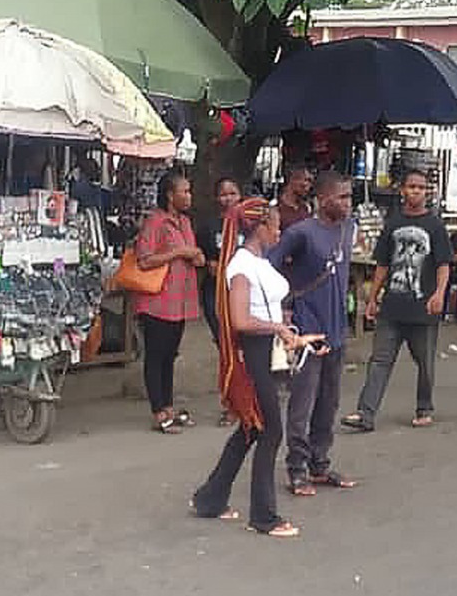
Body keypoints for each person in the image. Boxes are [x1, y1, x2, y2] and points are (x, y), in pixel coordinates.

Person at [190, 198, 323, 538]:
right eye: (275, 225)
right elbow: (241, 320)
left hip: (267, 350)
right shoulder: (241, 267)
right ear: (259, 228)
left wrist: (285, 326)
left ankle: (210, 498)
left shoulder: (257, 263)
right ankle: (263, 515)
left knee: (251, 428)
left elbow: (264, 309)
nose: (280, 231)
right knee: (270, 430)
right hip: (253, 353)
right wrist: (277, 327)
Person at [268, 170, 358, 495]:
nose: (348, 203)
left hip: (336, 329)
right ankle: (297, 467)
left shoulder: (349, 229)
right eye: (342, 197)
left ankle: (320, 463)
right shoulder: (301, 233)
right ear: (323, 198)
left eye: (350, 196)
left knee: (329, 401)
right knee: (302, 401)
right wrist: (285, 309)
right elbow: (271, 266)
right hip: (307, 329)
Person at [342, 168, 452, 433]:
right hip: (392, 307)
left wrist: (439, 294)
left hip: (423, 308)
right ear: (402, 190)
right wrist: (373, 298)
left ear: (427, 192)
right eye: (411, 186)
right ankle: (365, 413)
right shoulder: (393, 223)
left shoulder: (435, 225)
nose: (416, 191)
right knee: (379, 360)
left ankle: (424, 408)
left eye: (421, 187)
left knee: (424, 362)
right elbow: (382, 263)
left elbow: (443, 264)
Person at [133, 169, 204, 434]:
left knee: (169, 357)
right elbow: (144, 259)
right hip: (157, 301)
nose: (189, 196)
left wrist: (194, 256)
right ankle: (158, 410)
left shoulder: (185, 223)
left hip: (181, 301)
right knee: (156, 356)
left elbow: (194, 255)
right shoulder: (155, 222)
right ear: (170, 195)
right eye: (184, 191)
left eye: (189, 191)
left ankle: (169, 406)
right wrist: (177, 252)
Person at [197, 176, 243, 346]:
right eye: (223, 194)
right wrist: (208, 262)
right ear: (217, 198)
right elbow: (198, 254)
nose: (228, 198)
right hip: (214, 289)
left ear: (240, 195)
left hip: (241, 288)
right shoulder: (208, 226)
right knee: (221, 338)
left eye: (233, 193)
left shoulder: (248, 224)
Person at [276, 165, 315, 231]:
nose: (308, 186)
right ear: (293, 179)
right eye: (306, 180)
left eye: (310, 182)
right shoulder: (275, 207)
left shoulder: (307, 208)